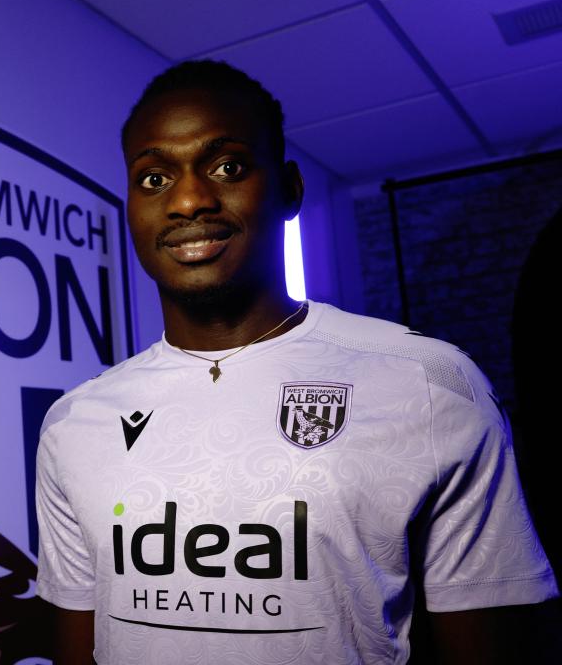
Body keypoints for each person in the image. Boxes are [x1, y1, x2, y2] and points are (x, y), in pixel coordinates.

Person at [34, 60, 560, 664]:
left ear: (289, 189)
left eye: (226, 167)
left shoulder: (431, 385)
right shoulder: (75, 424)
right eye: (153, 179)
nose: (187, 200)